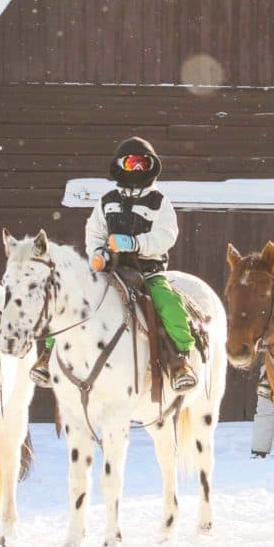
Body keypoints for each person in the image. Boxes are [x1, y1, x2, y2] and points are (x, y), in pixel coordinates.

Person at [83, 136, 198, 392]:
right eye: (132, 163)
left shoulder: (159, 202)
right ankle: (51, 357)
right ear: (120, 165)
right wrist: (98, 253)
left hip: (147, 272)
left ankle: (180, 360)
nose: (137, 170)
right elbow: (94, 232)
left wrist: (134, 243)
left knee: (169, 305)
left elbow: (167, 235)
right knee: (76, 300)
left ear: (152, 167)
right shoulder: (107, 201)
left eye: (142, 164)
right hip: (111, 271)